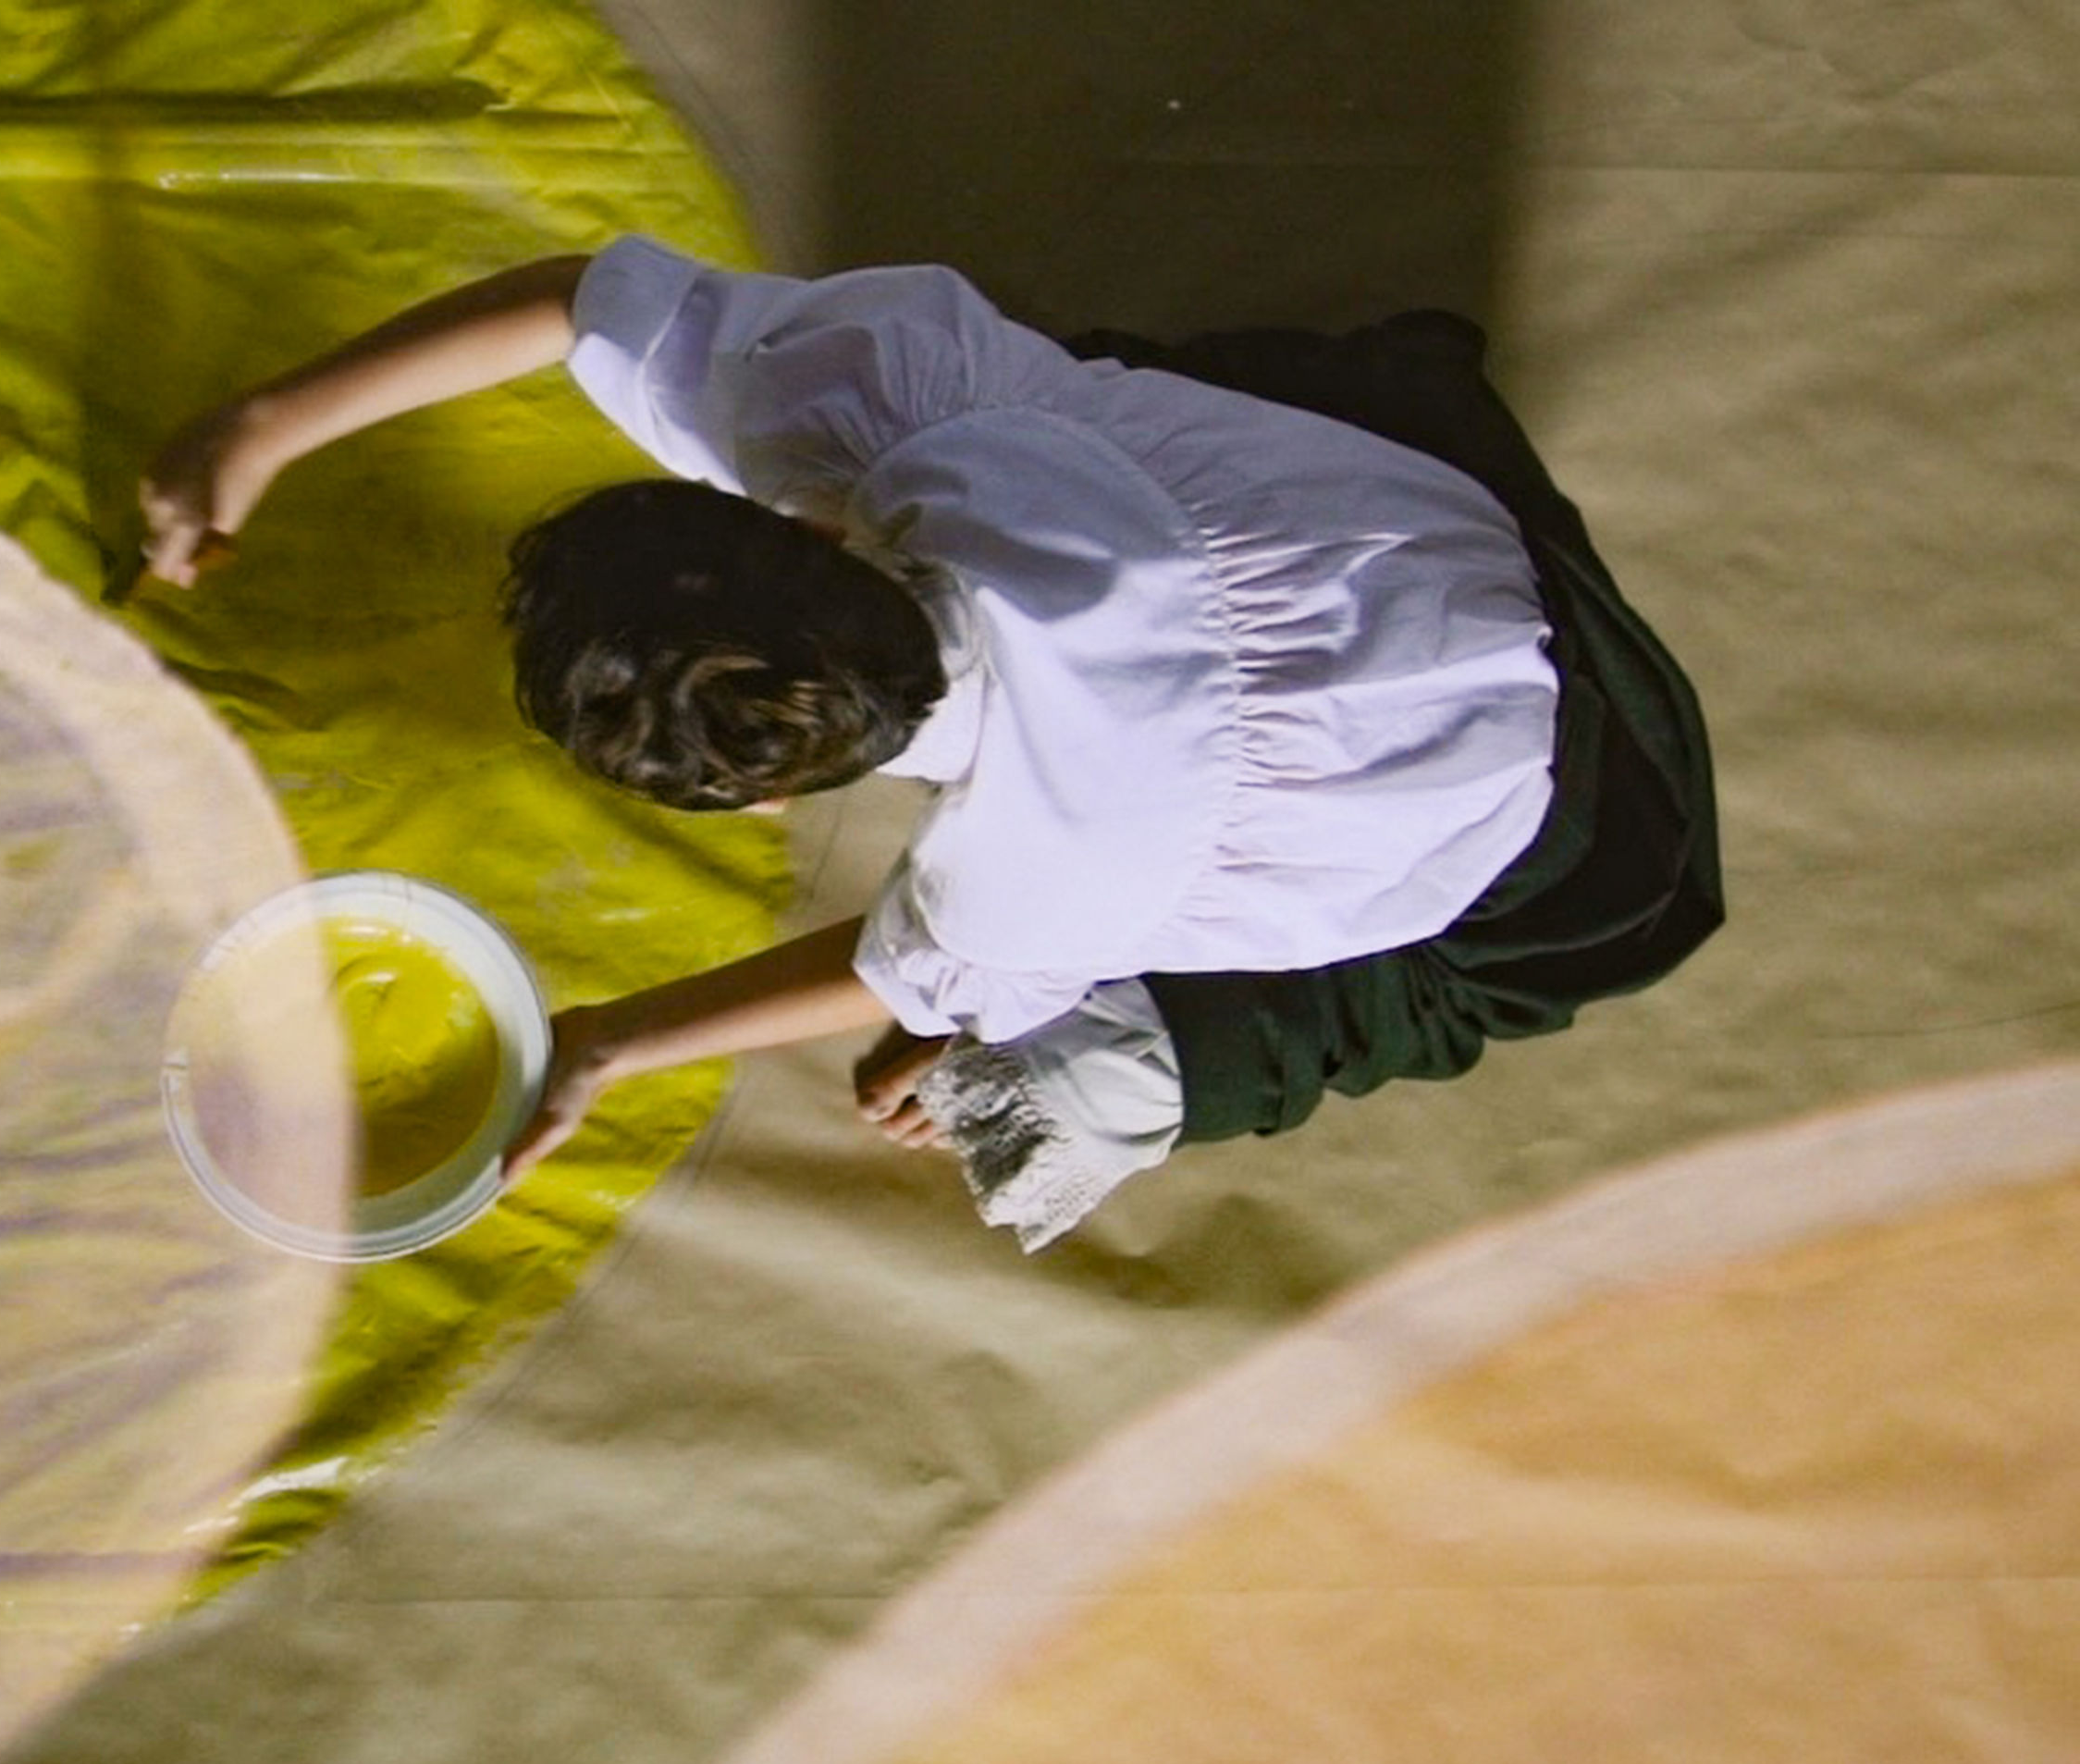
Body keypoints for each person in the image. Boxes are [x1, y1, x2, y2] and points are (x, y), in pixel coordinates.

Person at [139, 240, 1719, 1245]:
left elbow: (908, 978)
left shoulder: (1050, 877)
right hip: (1409, 534)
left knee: (1086, 1070)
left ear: (765, 792)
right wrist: (260, 427)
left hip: (1521, 798)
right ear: (792, 524)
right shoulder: (908, 402)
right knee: (1097, 379)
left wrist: (615, 1041)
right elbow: (581, 301)